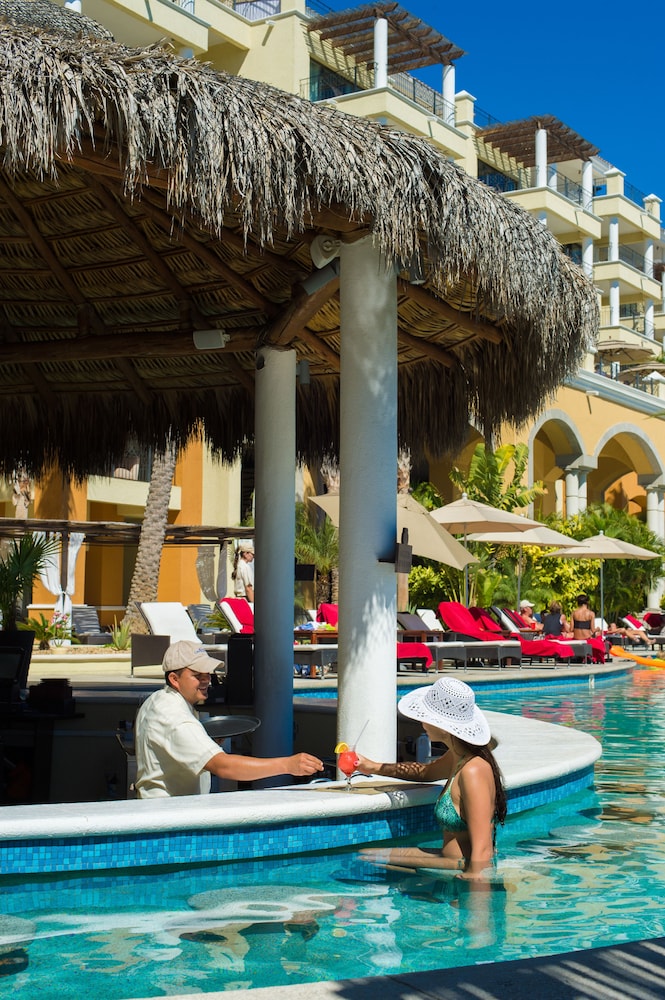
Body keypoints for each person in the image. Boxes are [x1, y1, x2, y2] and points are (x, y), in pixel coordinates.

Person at [354, 677, 506, 880]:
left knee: (365, 861)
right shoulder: (458, 756)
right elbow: (425, 772)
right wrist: (373, 767)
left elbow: (483, 851)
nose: (422, 723)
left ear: (443, 726)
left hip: (462, 869)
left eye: (426, 717)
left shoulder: (473, 771)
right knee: (366, 856)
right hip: (449, 860)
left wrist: (475, 893)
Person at [134, 640, 323, 797]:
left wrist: (205, 742)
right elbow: (223, 767)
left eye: (207, 674)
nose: (206, 680)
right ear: (174, 679)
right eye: (197, 675)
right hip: (170, 817)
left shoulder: (157, 701)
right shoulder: (173, 715)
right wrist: (288, 765)